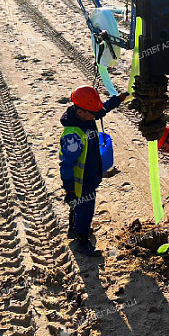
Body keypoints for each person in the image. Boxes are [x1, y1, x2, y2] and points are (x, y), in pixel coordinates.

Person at [59, 85, 128, 256]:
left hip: (91, 174)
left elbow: (102, 110)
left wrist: (118, 99)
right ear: (80, 111)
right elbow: (66, 165)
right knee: (85, 208)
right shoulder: (72, 136)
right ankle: (82, 240)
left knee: (79, 207)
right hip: (81, 182)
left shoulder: (87, 116)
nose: (95, 116)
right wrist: (69, 190)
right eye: (91, 112)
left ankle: (73, 229)